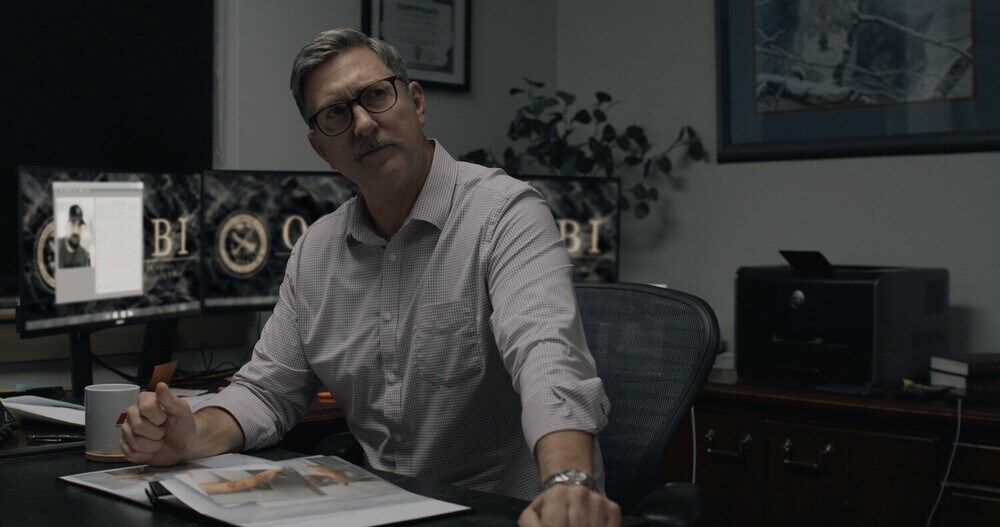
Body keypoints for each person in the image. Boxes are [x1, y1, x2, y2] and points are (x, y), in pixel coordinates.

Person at [121, 28, 620, 526]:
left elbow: (547, 359)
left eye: (376, 95)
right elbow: (267, 391)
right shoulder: (316, 252)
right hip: (386, 512)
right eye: (336, 114)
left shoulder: (505, 214)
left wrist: (568, 481)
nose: (362, 123)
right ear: (321, 147)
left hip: (511, 513)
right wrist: (190, 435)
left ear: (416, 103)